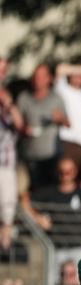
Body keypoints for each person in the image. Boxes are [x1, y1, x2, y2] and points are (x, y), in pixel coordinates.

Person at [16, 63, 69, 187]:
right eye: (35, 76)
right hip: (30, 155)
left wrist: (60, 118)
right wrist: (24, 129)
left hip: (52, 155)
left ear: (48, 78)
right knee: (34, 190)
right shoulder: (24, 98)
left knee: (52, 189)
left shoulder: (56, 98)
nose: (37, 80)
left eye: (41, 76)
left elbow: (68, 123)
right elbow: (17, 123)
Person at [54, 63, 81, 179]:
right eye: (77, 75)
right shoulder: (63, 90)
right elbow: (59, 69)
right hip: (69, 141)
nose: (80, 77)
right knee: (67, 176)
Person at [0, 84, 23, 249]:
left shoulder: (8, 116)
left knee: (8, 208)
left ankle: (5, 245)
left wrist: (7, 102)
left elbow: (20, 123)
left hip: (5, 166)